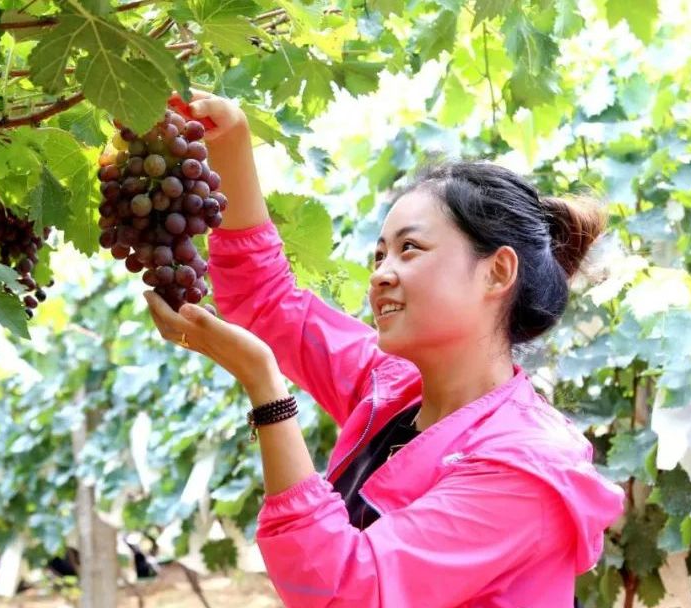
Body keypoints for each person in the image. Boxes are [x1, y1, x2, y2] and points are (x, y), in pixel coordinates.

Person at [143, 91, 627, 607]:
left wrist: (267, 391)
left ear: (497, 271)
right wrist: (230, 143)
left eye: (409, 249)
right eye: (379, 255)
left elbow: (347, 591)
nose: (380, 275)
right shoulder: (393, 389)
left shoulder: (525, 468)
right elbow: (267, 304)